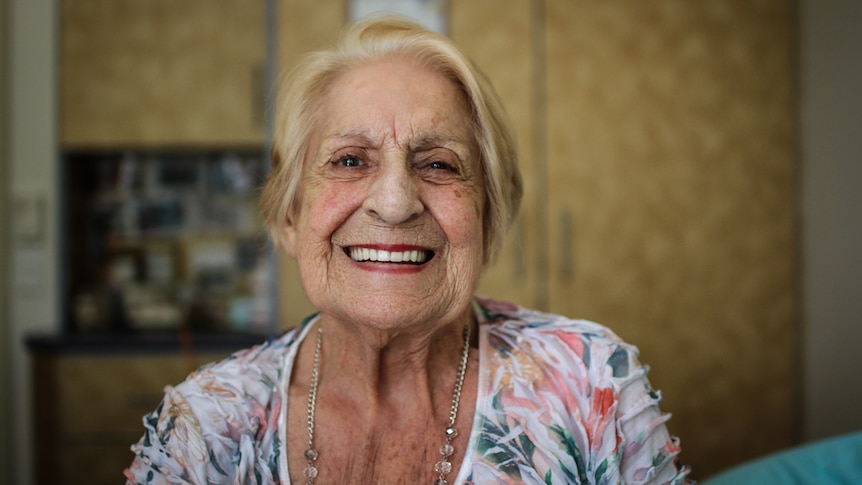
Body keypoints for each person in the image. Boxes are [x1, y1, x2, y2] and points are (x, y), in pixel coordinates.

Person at [125, 16, 691, 485]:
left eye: (439, 165)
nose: (395, 203)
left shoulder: (594, 384)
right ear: (290, 216)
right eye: (350, 160)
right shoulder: (204, 427)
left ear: (489, 217)